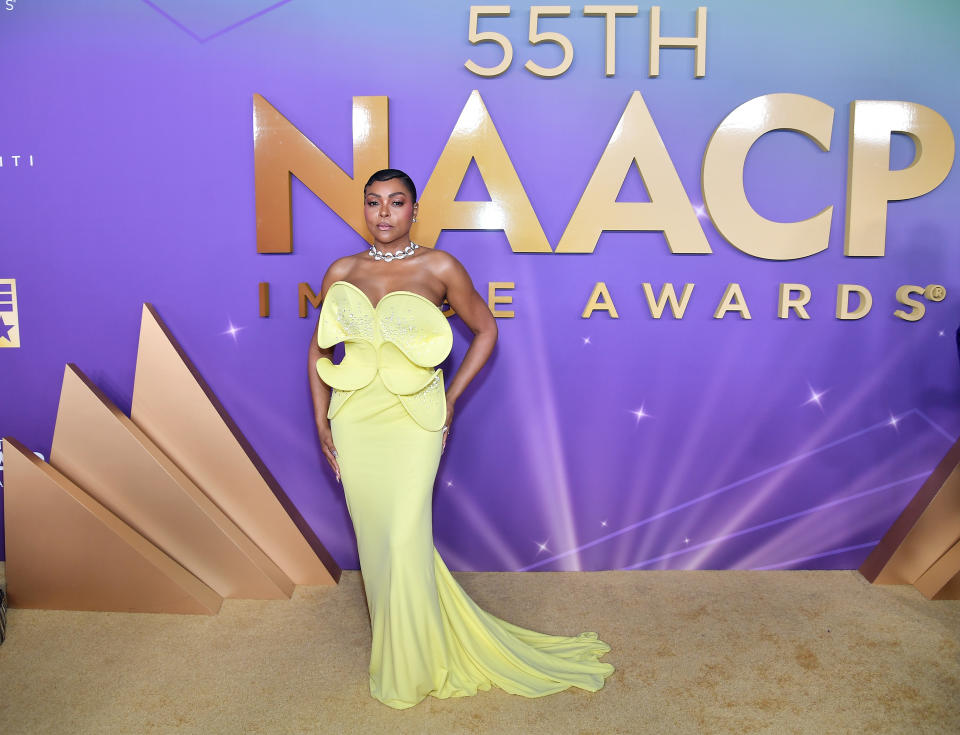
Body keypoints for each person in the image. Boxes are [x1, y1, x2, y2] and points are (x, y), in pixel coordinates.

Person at [307, 168, 615, 709]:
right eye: (374, 202)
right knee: (376, 540)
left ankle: (409, 666)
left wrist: (449, 398)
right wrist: (321, 419)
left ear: (414, 210)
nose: (384, 213)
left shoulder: (439, 265)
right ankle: (400, 644)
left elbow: (486, 329)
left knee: (403, 535)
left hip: (414, 419)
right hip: (354, 415)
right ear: (364, 209)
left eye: (396, 202)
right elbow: (319, 350)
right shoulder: (341, 270)